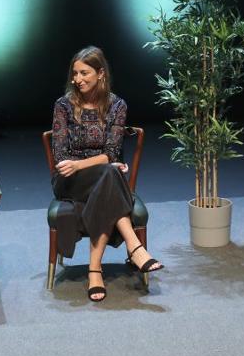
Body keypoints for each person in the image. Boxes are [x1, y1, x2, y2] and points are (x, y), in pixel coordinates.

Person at [50, 45, 162, 301]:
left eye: (84, 73)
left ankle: (95, 270)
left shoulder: (117, 105)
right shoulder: (63, 106)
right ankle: (135, 247)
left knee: (109, 173)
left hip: (102, 178)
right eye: (75, 74)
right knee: (110, 173)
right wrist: (85, 165)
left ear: (100, 73)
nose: (77, 80)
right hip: (69, 181)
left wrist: (94, 164)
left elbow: (112, 151)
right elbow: (61, 156)